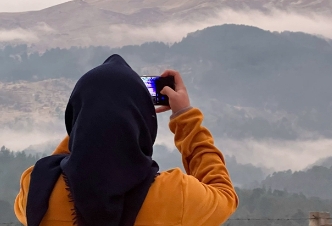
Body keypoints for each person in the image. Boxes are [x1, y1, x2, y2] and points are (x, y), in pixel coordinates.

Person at [14, 55, 238, 226]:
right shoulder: (175, 196)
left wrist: (88, 122)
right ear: (142, 122)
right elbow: (224, 195)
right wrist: (184, 117)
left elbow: (72, 157)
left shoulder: (37, 189)